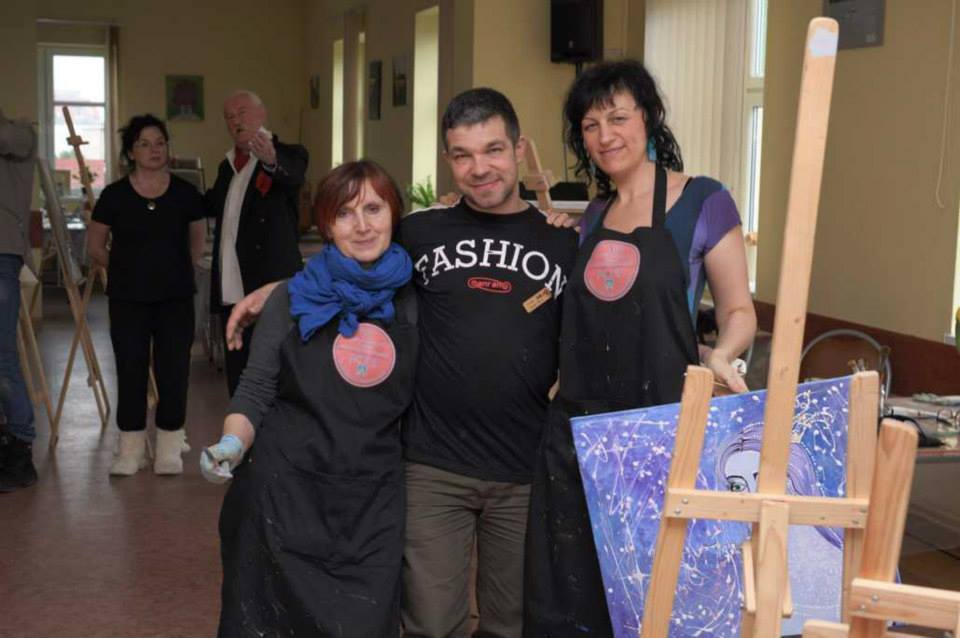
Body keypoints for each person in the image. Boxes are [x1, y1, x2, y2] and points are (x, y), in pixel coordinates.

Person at [226, 88, 579, 638]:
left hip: (522, 467)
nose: (479, 168)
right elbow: (353, 263)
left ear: (518, 149)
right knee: (431, 624)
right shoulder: (419, 232)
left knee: (511, 624)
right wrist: (279, 291)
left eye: (493, 150)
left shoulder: (563, 243)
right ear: (448, 160)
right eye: (463, 155)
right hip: (432, 465)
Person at [524, 59, 757, 635]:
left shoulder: (703, 200)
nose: (605, 136)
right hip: (581, 434)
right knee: (573, 595)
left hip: (661, 432)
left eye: (618, 118)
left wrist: (721, 355)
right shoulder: (592, 216)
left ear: (649, 118)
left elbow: (738, 311)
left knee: (657, 593)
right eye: (590, 125)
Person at [201, 160, 416, 637]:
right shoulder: (292, 298)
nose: (362, 226)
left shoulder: (417, 297)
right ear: (326, 225)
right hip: (284, 495)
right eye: (344, 213)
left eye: (374, 209)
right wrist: (231, 444)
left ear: (394, 214)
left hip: (371, 503)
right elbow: (256, 388)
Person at [87, 114, 206, 476]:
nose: (154, 150)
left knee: (174, 370)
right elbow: (95, 246)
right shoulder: (114, 195)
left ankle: (169, 447)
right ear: (130, 152)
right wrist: (127, 269)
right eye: (144, 143)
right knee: (130, 369)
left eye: (160, 143)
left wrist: (172, 270)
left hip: (175, 298)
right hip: (128, 299)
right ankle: (130, 450)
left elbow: (197, 243)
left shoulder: (185, 193)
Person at [206, 90, 307, 396]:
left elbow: (292, 176)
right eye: (229, 117)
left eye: (242, 113)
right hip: (231, 289)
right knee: (238, 379)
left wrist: (271, 160)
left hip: (268, 289)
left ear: (262, 115)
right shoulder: (227, 166)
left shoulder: (289, 154)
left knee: (274, 374)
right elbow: (211, 205)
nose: (235, 121)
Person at [0, 111, 38, 492]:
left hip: (2, 254)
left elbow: (11, 141)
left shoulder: (18, 132)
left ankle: (20, 444)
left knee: (2, 356)